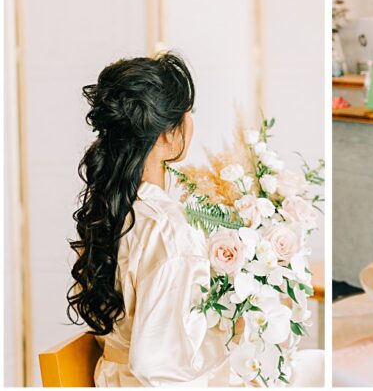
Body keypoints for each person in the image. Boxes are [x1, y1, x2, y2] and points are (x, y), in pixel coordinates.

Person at [67, 52, 322, 386]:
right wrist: (234, 336)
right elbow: (155, 366)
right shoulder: (168, 229)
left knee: (312, 366)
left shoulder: (111, 209)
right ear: (166, 135)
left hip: (114, 376)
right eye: (188, 113)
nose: (191, 122)